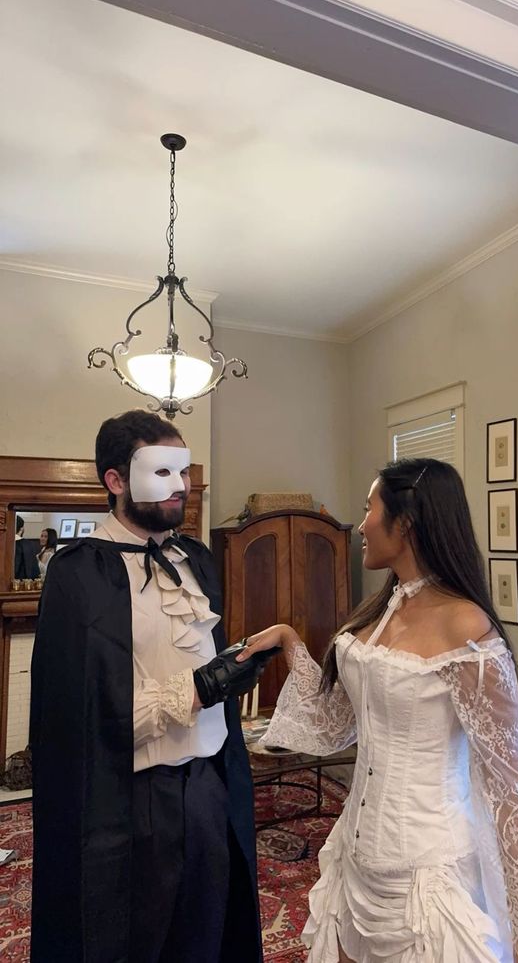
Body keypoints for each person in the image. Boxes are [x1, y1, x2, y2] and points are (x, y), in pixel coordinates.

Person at [242, 457, 518, 963]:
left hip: (428, 873)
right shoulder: (382, 611)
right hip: (353, 861)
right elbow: (334, 724)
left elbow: (509, 791)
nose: (360, 525)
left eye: (368, 510)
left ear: (405, 522)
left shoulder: (467, 631)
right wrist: (291, 641)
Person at [30, 409, 274, 963]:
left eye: (184, 472)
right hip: (129, 801)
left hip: (210, 784)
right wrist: (200, 688)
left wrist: (234, 668)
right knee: (135, 940)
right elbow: (83, 711)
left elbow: (201, 660)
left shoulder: (198, 562)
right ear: (116, 481)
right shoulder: (79, 574)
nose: (181, 486)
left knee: (207, 932)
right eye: (162, 472)